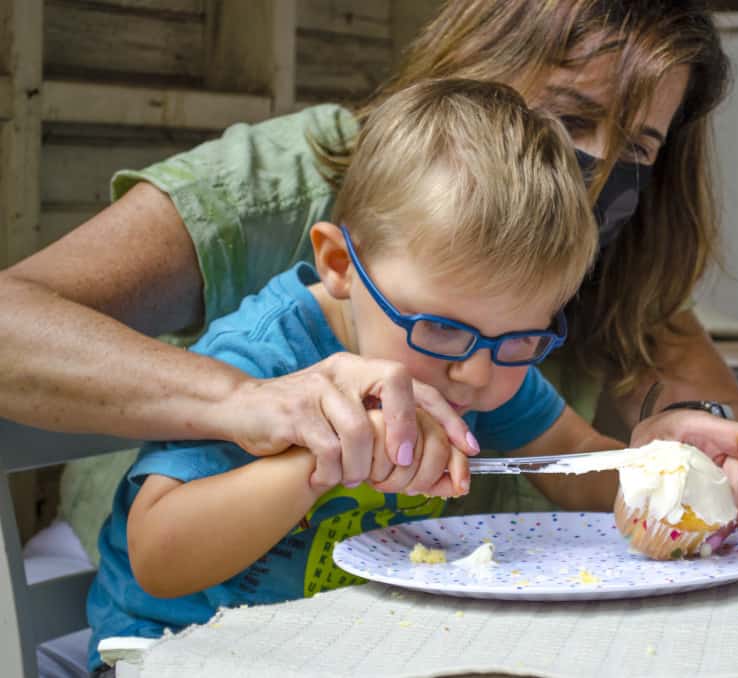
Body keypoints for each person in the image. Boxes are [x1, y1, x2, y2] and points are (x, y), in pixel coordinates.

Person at [0, 0, 738, 559]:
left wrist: (695, 444)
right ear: (474, 67)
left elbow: (710, 430)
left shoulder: (605, 235)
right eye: (569, 118)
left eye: (635, 149)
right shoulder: (287, 181)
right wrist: (253, 406)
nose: (595, 168)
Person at [86, 78, 626, 675]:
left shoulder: (478, 358)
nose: (474, 373)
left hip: (341, 650)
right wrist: (321, 460)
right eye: (442, 327)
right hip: (170, 652)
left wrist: (675, 473)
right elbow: (159, 558)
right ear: (341, 265)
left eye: (523, 337)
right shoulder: (265, 359)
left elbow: (577, 461)